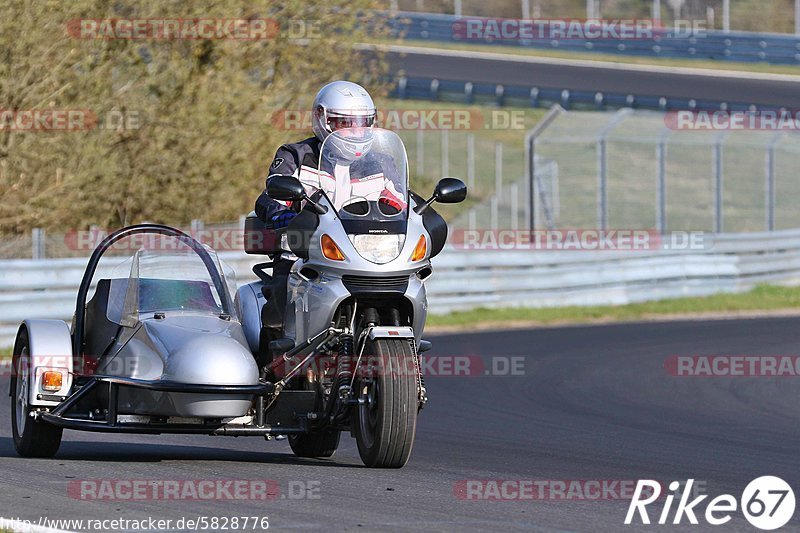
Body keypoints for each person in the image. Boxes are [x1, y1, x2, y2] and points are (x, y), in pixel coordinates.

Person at [253, 81, 403, 342]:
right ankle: (271, 365)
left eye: (363, 122)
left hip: (366, 256)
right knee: (279, 298)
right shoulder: (296, 156)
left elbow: (402, 202)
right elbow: (269, 197)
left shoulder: (382, 164)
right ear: (322, 119)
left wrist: (417, 217)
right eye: (345, 123)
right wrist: (281, 214)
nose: (356, 132)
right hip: (306, 254)